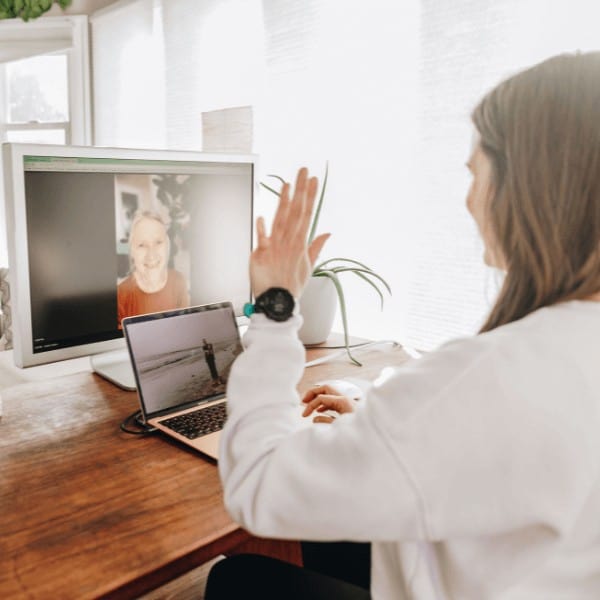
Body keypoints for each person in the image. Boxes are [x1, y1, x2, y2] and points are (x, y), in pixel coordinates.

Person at [206, 52, 600, 599]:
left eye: (473, 173)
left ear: (530, 187)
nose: (466, 201)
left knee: (238, 576)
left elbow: (259, 486)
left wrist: (274, 308)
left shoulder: (499, 373)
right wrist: (388, 430)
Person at [117, 211, 190, 328]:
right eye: (142, 245)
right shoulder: (119, 296)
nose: (151, 254)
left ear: (167, 246)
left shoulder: (179, 281)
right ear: (132, 252)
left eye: (158, 242)